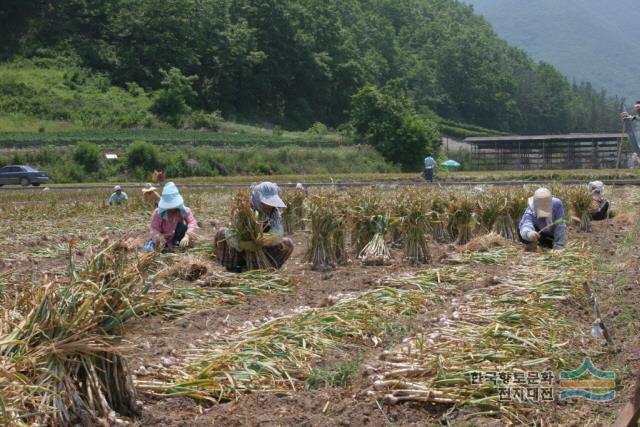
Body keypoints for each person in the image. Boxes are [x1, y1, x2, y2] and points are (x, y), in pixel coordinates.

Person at [215, 182, 294, 272]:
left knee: (288, 243)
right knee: (221, 233)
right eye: (265, 202)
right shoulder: (243, 210)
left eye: (271, 203)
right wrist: (242, 244)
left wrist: (269, 238)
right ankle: (234, 269)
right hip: (241, 253)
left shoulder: (274, 212)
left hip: (263, 251)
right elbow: (230, 232)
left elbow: (278, 231)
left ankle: (268, 268)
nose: (269, 206)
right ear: (257, 199)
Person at [148, 182, 198, 251]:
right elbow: (154, 229)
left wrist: (187, 236)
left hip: (177, 238)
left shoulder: (184, 210)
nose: (171, 208)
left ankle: (177, 246)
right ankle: (167, 247)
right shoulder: (158, 213)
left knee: (182, 226)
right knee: (154, 247)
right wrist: (159, 237)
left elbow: (192, 222)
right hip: (164, 239)